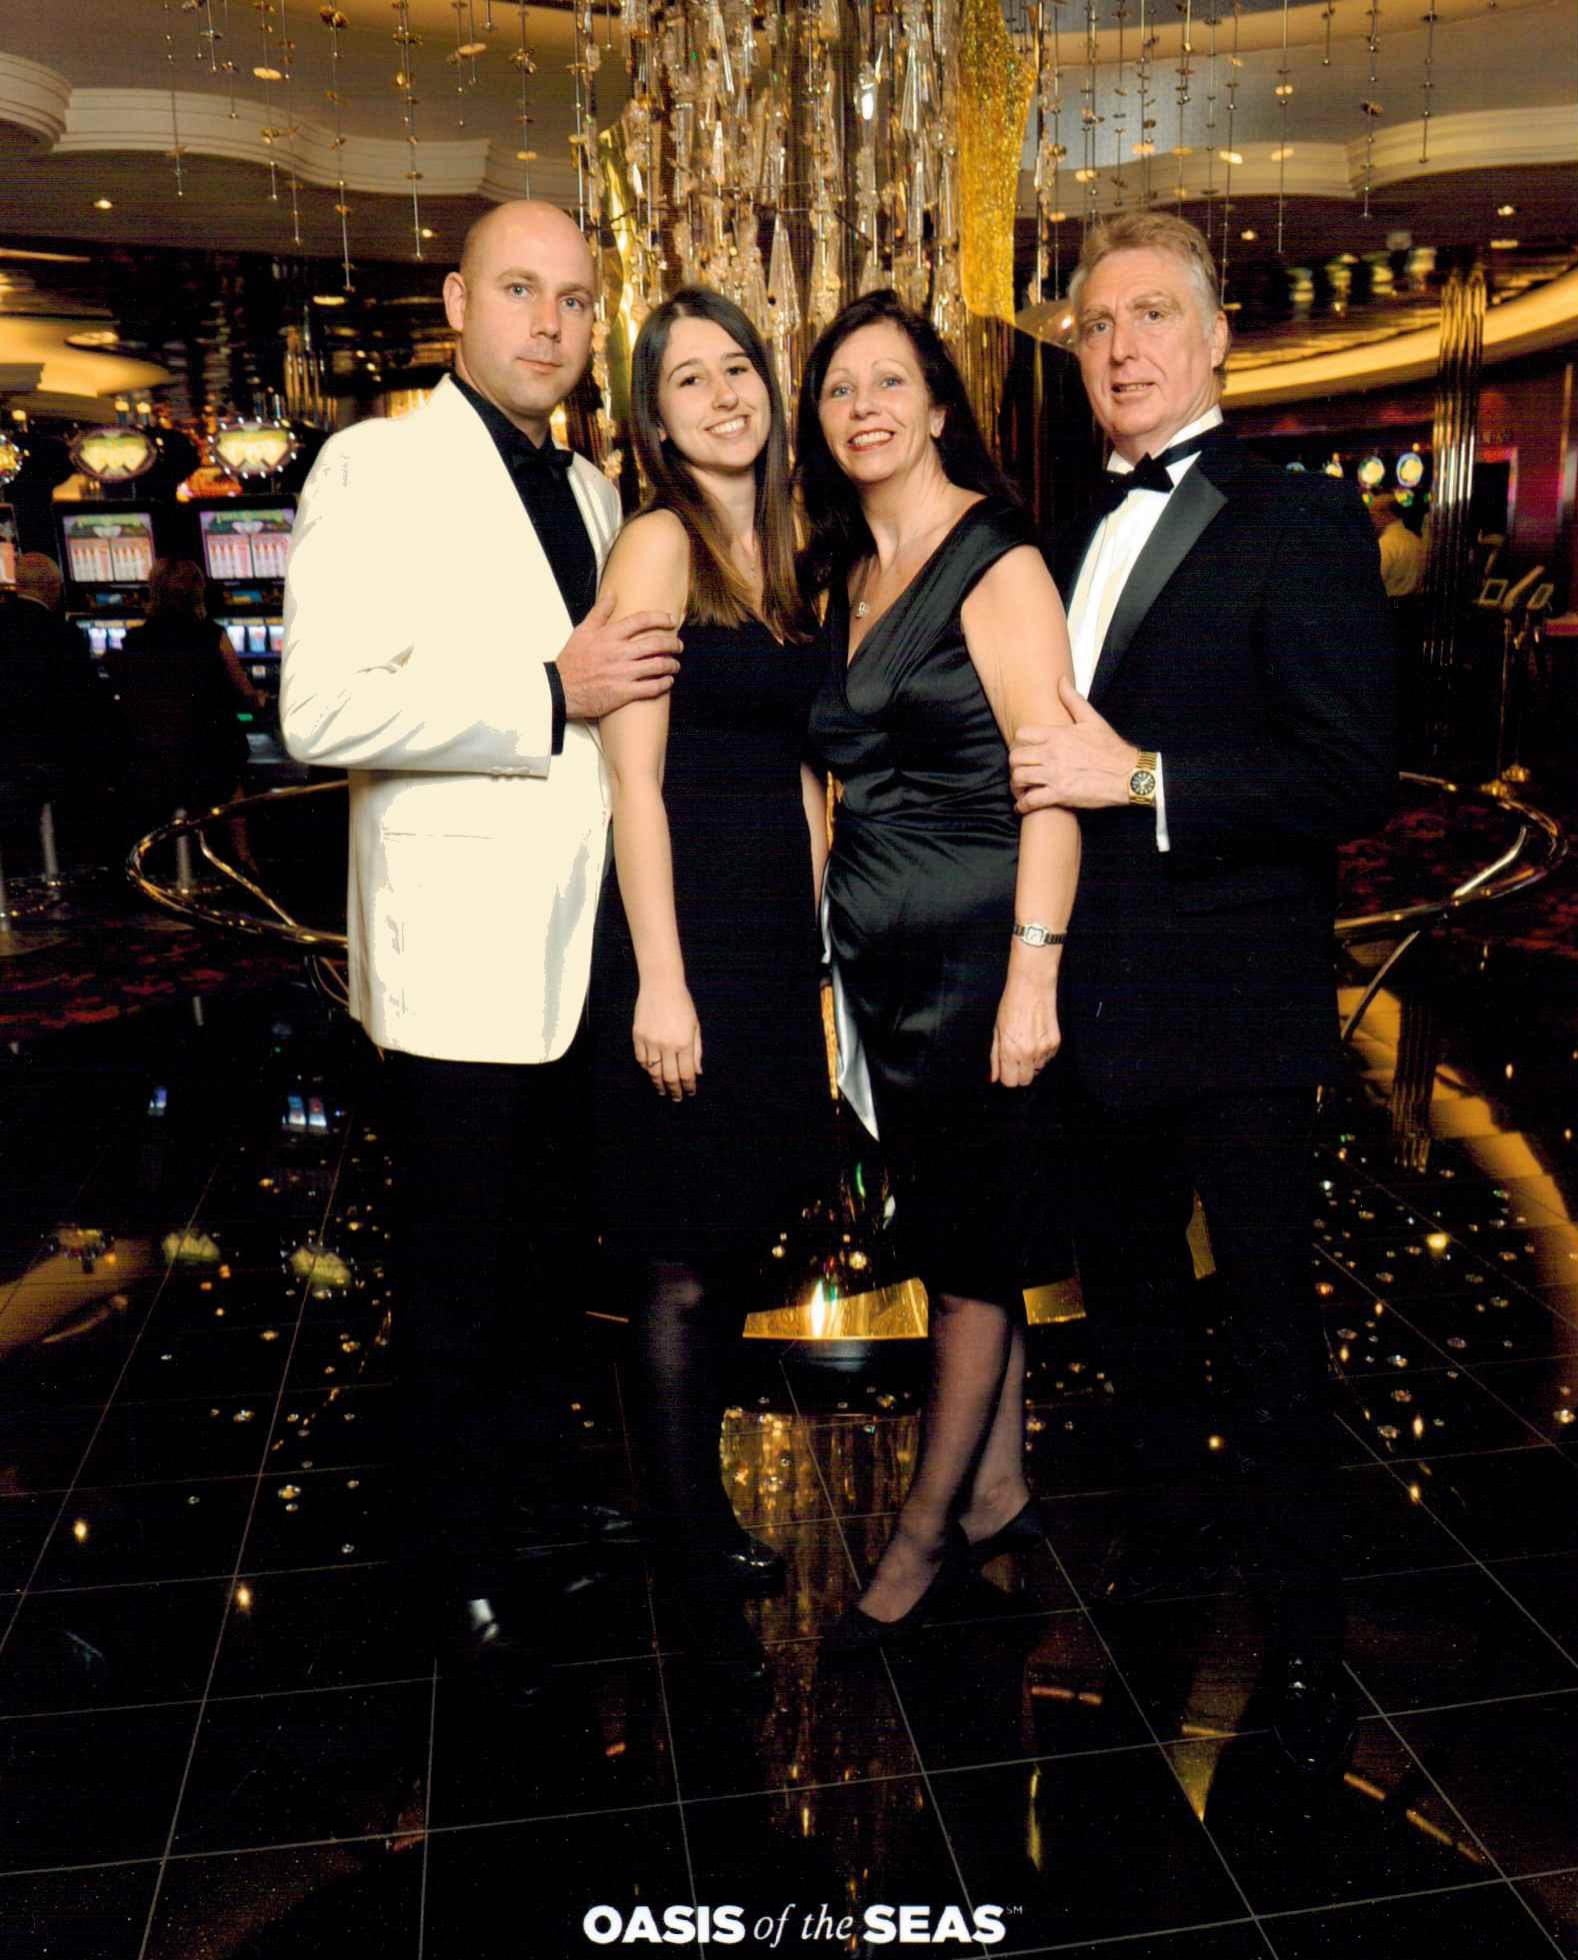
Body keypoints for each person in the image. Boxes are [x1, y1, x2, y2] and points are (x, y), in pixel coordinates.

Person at [280, 200, 683, 1707]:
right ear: (456, 301)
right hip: (451, 956)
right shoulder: (371, 465)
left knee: (539, 1271)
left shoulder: (590, 490)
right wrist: (543, 686)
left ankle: (524, 1509)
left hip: (579, 954)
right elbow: (317, 709)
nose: (551, 325)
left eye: (576, 300)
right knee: (450, 1282)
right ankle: (441, 1566)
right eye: (519, 291)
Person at [1008, 212, 1396, 1773]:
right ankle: (1166, 1554)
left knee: (1270, 1329)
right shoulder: (1057, 531)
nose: (1120, 347)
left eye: (1152, 315)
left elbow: (1345, 771)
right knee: (1134, 1316)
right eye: (1097, 324)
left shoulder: (1295, 518)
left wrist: (1145, 777)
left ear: (1218, 336)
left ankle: (1307, 1636)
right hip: (1099, 998)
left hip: (1234, 1007)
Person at [800, 291, 1080, 1648]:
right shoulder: (844, 575)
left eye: (887, 382)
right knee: (967, 1229)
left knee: (966, 1260)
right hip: (884, 970)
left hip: (978, 961)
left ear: (933, 402)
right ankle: (1000, 1491)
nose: (863, 407)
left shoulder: (995, 561)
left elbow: (1052, 786)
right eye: (838, 387)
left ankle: (918, 1543)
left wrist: (1033, 974)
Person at [587, 288, 833, 1633]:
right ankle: (685, 1535)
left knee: (733, 1238)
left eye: (738, 368)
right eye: (690, 380)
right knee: (679, 1259)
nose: (726, 395)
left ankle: (692, 1506)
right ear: (656, 416)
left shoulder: (788, 552)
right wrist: (663, 981)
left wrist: (820, 961)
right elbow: (632, 785)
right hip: (680, 942)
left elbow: (803, 776)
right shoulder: (657, 547)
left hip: (769, 946)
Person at [102, 557, 254, 843]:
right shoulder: (212, 636)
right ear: (198, 592)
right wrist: (259, 699)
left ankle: (160, 861)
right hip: (206, 761)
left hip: (149, 759)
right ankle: (242, 857)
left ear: (154, 591)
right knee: (232, 763)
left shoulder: (133, 640)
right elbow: (245, 694)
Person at [1369, 490, 1426, 598]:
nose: (1371, 520)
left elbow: (1371, 583)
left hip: (1390, 607)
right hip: (1414, 606)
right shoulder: (1415, 539)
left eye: (1373, 515)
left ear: (1387, 514)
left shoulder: (1386, 543)